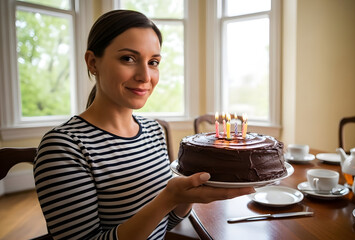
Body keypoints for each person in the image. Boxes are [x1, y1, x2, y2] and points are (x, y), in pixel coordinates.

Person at [33, 10, 254, 240]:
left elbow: (164, 225)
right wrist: (168, 198)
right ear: (92, 62)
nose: (145, 76)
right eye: (128, 58)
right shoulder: (63, 148)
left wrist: (185, 196)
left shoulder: (153, 131)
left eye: (153, 62)